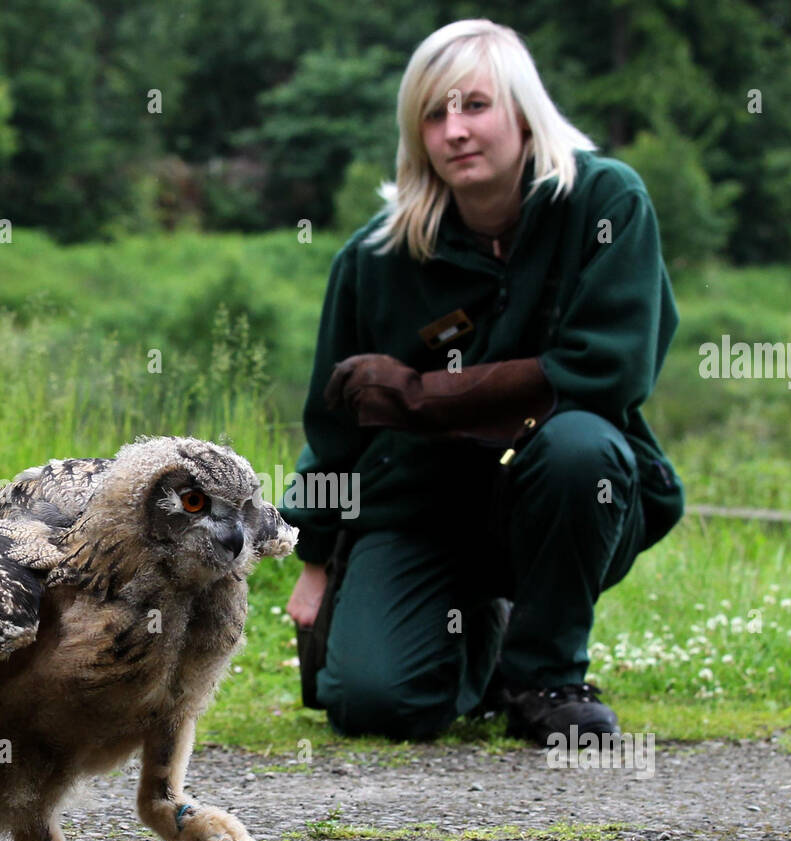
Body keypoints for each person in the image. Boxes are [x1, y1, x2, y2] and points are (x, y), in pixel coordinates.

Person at [281, 18, 685, 744]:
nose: (455, 130)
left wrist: (419, 397)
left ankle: (545, 679)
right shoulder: (376, 258)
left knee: (580, 447)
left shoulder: (606, 205)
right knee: (375, 705)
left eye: (474, 106)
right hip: (419, 507)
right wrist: (313, 556)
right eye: (434, 114)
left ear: (523, 111)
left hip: (562, 496)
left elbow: (607, 372)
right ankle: (481, 647)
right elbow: (332, 425)